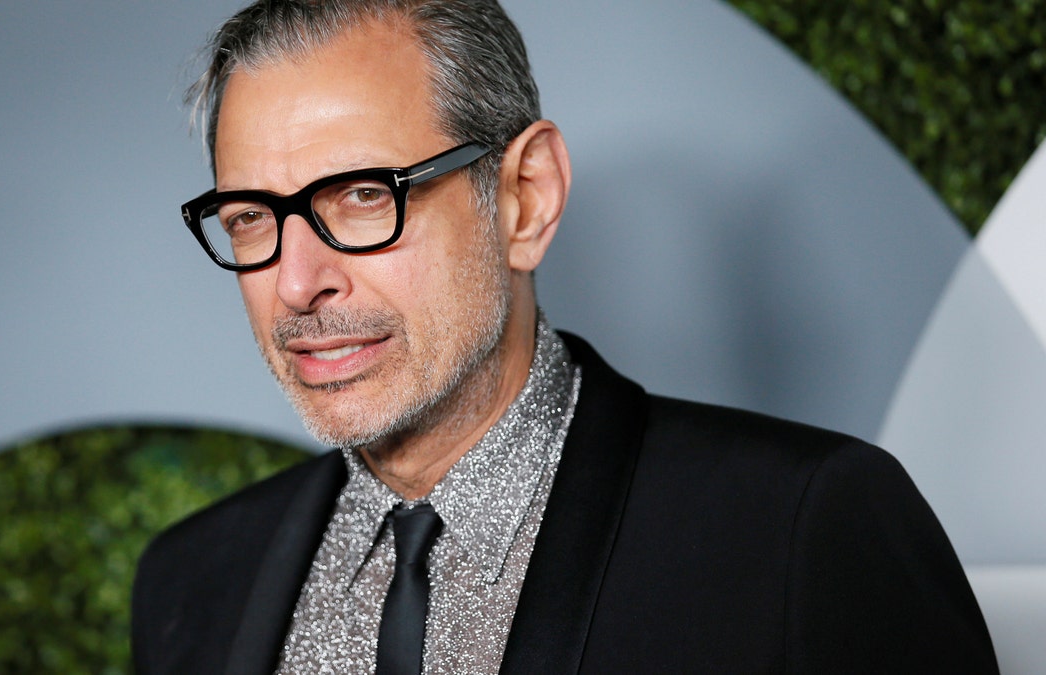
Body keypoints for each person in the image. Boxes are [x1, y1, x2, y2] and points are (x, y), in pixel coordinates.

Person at [132, 1, 999, 672]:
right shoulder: (192, 581)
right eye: (251, 218)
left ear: (526, 198)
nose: (296, 281)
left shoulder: (800, 532)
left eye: (362, 196)